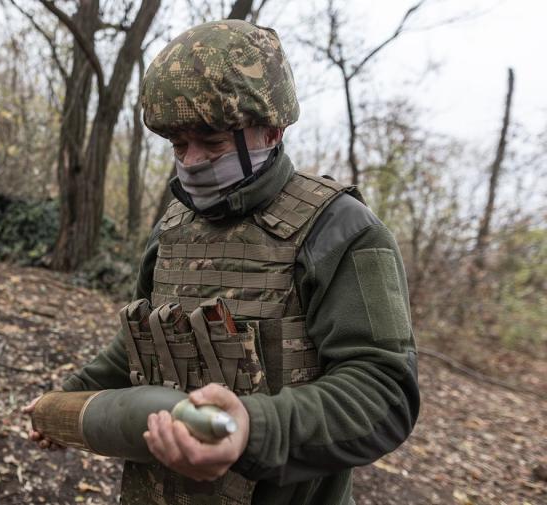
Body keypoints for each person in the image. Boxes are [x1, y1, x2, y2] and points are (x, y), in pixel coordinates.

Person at [26, 19, 419, 505]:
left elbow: (383, 394)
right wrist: (71, 398)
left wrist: (250, 431)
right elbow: (141, 343)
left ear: (272, 129)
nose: (190, 161)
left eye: (211, 142)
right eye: (177, 144)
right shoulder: (173, 226)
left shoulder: (342, 230)